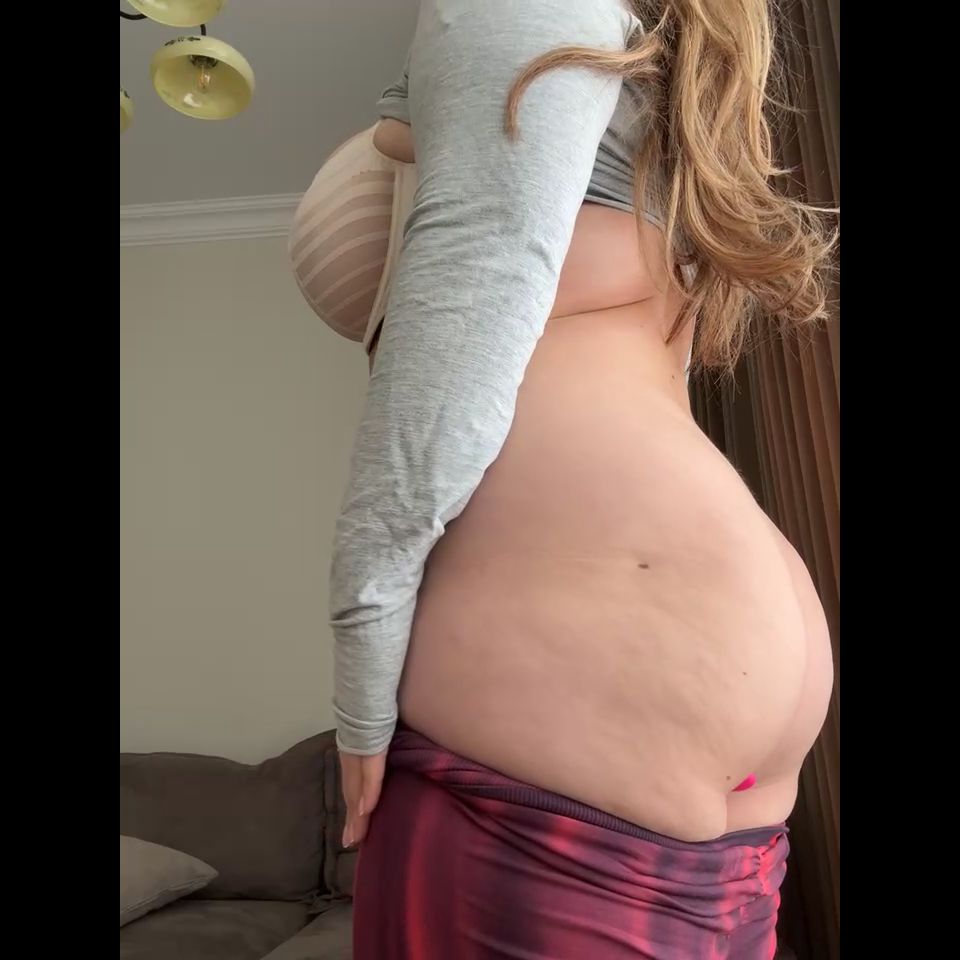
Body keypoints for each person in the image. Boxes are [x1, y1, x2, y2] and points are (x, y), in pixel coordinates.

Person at [289, 1, 835, 956]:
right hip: (674, 700)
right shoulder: (630, 57)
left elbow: (454, 347)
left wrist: (361, 681)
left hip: (575, 697)